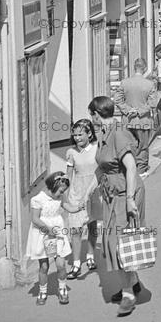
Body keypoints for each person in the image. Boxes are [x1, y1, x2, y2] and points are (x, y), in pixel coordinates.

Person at [88, 97, 146, 316]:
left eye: (91, 115)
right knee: (119, 241)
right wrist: (86, 192)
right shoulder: (104, 133)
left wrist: (130, 199)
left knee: (118, 243)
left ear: (96, 114)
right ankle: (134, 283)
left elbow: (131, 167)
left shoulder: (118, 133)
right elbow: (103, 168)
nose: (91, 119)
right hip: (113, 195)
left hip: (126, 194)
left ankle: (128, 294)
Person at [25, 172, 82, 305]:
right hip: (43, 233)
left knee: (61, 265)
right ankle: (43, 291)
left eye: (64, 191)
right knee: (44, 266)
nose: (62, 194)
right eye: (61, 191)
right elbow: (35, 219)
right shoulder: (38, 199)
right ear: (53, 186)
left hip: (58, 233)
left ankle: (62, 289)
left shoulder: (60, 198)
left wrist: (77, 208)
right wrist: (48, 230)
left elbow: (67, 207)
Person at [64, 119, 100, 280]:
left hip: (93, 192)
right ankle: (76, 263)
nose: (77, 138)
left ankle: (91, 256)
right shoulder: (71, 152)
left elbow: (101, 171)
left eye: (81, 134)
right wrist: (64, 195)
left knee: (92, 225)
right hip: (77, 194)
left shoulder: (97, 149)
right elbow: (68, 175)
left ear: (89, 134)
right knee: (76, 229)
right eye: (75, 134)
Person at [114, 58, 156, 177]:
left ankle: (128, 168)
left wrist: (128, 110)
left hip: (128, 120)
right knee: (142, 146)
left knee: (128, 145)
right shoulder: (150, 84)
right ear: (145, 68)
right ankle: (141, 169)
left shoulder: (124, 82)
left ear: (134, 67)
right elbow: (152, 104)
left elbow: (117, 100)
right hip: (143, 120)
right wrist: (139, 111)